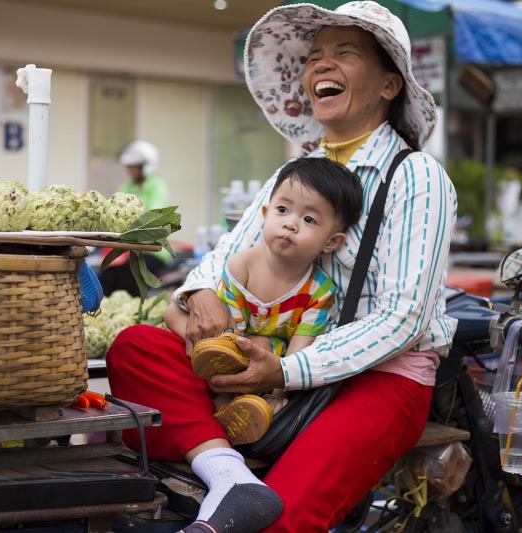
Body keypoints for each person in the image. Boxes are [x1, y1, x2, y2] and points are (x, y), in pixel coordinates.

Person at [106, 2, 457, 532]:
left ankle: (241, 500)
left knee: (283, 519)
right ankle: (230, 478)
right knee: (134, 348)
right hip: (271, 354)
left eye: (344, 53)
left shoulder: (417, 178)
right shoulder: (295, 172)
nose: (321, 65)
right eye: (314, 56)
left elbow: (403, 319)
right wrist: (201, 292)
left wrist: (288, 371)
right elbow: (231, 251)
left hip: (380, 376)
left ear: (389, 86)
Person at [164, 157, 362, 446]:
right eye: (283, 210)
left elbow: (299, 347)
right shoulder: (241, 264)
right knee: (172, 313)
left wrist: (279, 391)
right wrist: (228, 345)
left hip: (269, 355)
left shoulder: (320, 291)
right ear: (266, 214)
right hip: (228, 336)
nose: (290, 224)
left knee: (261, 348)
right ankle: (222, 392)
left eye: (309, 220)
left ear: (331, 242)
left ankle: (240, 408)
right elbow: (227, 322)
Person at [98, 140, 173, 296]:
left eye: (133, 166)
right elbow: (114, 205)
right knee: (107, 272)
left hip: (152, 251)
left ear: (146, 166)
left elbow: (155, 214)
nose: (129, 170)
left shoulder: (157, 185)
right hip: (127, 248)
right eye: (128, 167)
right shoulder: (128, 186)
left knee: (130, 272)